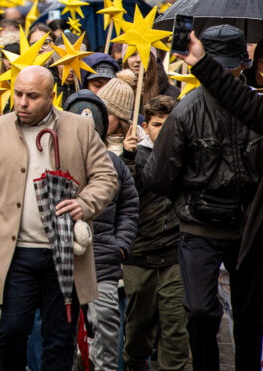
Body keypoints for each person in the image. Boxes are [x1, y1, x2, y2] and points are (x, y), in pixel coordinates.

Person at [0, 65, 117, 370]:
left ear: (51, 97)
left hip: (63, 256)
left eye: (32, 96)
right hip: (14, 256)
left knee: (59, 339)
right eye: (18, 93)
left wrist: (84, 203)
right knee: (9, 334)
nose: (22, 102)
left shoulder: (80, 128)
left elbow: (106, 177)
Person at [143, 24, 263, 371]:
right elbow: (158, 177)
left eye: (231, 65)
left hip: (248, 227)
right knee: (199, 310)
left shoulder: (254, 107)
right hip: (200, 226)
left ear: (244, 64)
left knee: (251, 315)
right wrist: (191, 195)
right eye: (219, 65)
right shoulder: (185, 112)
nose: (226, 72)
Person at [121, 95, 189, 371]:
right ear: (145, 126)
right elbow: (123, 196)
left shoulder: (187, 154)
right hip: (140, 256)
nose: (161, 130)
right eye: (156, 124)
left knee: (175, 331)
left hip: (175, 256)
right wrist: (127, 159)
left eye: (167, 124)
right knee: (137, 332)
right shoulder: (134, 157)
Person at [85, 101, 139, 371]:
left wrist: (120, 246)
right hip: (61, 264)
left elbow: (129, 207)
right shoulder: (52, 160)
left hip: (104, 261)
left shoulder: (114, 164)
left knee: (106, 324)